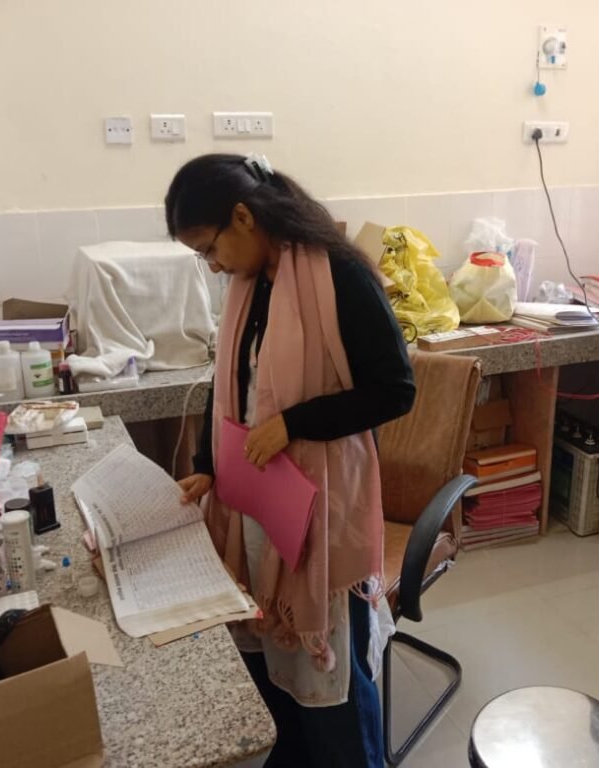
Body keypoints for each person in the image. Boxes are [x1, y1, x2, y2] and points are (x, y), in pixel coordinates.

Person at [165, 153, 415, 768]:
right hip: (259, 505)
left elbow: (395, 390)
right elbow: (232, 389)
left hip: (321, 514)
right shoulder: (249, 285)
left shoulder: (340, 276)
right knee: (274, 678)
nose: (213, 265)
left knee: (330, 686)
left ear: (244, 217)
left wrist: (295, 424)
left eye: (210, 248)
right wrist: (208, 464)